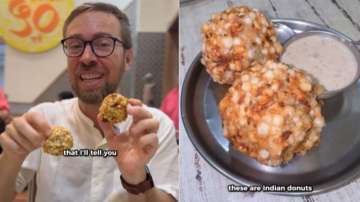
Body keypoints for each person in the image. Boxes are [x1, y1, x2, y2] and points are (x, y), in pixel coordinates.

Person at [0, 3, 178, 202]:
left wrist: (138, 180)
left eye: (103, 43)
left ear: (127, 58)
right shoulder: (42, 121)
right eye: (75, 45)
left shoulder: (156, 127)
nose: (86, 58)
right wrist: (10, 157)